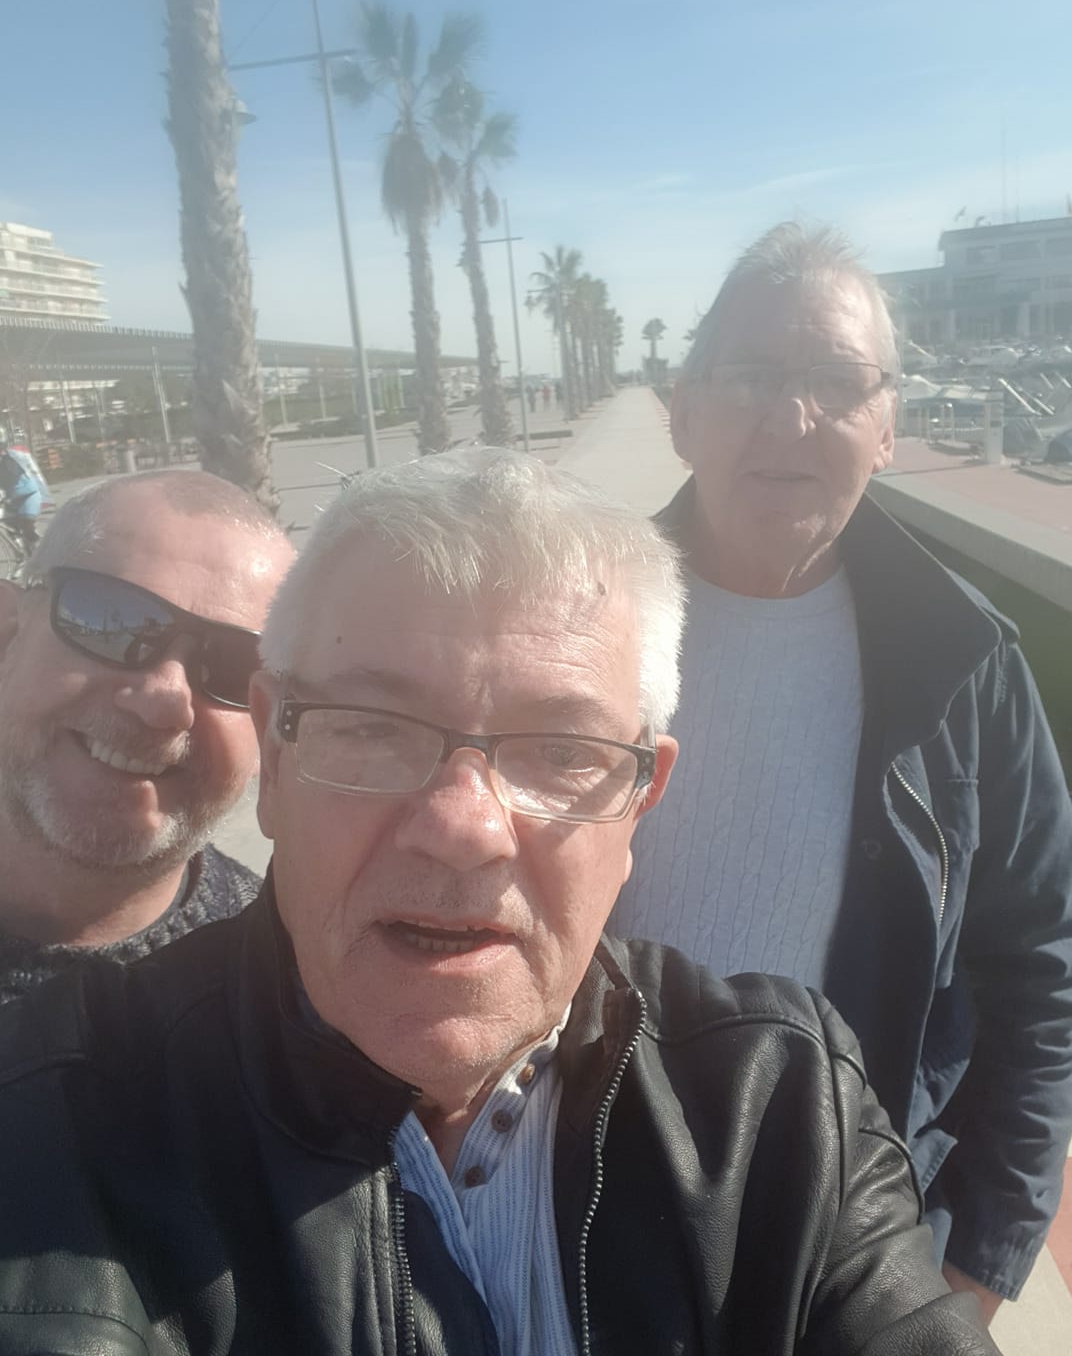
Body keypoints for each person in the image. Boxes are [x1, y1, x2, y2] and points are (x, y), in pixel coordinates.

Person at [0, 450, 997, 1353]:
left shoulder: (782, 1106)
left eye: (561, 752)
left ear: (640, 801)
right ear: (276, 748)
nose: (462, 826)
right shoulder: (62, 1115)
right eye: (372, 727)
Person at [609, 220, 1072, 1319]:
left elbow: (1041, 966)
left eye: (836, 382)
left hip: (860, 1237)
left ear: (888, 426)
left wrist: (976, 1267)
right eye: (751, 375)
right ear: (682, 411)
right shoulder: (575, 627)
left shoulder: (965, 662)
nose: (791, 418)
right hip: (590, 1207)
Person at [0, 469, 293, 1005]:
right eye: (114, 623)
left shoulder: (290, 1002)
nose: (165, 702)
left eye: (235, 667)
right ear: (9, 632)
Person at [0, 426, 49, 553]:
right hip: (12, 499)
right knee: (7, 524)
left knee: (27, 525)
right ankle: (20, 553)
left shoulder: (12, 457)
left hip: (28, 495)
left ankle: (42, 552)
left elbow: (12, 477)